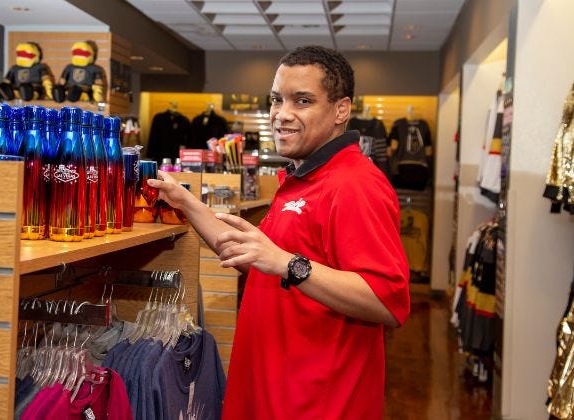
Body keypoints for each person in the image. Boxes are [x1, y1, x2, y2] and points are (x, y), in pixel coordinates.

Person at [148, 45, 410, 419]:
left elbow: (387, 300)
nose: (281, 115)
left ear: (340, 110)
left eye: (302, 101)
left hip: (316, 405)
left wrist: (289, 263)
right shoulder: (303, 178)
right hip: (266, 393)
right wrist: (185, 202)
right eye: (276, 100)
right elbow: (251, 257)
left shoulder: (355, 184)